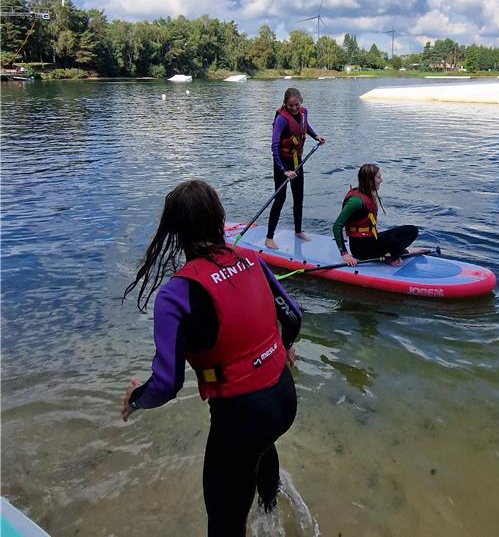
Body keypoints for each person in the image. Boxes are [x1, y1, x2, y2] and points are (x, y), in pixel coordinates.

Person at [121, 179, 302, 537]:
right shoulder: (251, 259)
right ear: (220, 219)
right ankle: (270, 518)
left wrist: (136, 399)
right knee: (261, 447)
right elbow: (293, 316)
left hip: (242, 418)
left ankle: (262, 521)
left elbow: (167, 384)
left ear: (174, 232)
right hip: (283, 398)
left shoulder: (175, 295)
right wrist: (284, 346)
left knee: (224, 522)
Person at [266, 87, 325, 250]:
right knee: (280, 199)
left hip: (297, 161)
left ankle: (298, 231)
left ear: (301, 102)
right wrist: (284, 170)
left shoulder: (303, 112)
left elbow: (305, 126)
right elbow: (274, 146)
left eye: (297, 105)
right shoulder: (281, 119)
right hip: (282, 164)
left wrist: (316, 136)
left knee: (299, 197)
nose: (294, 108)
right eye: (291, 105)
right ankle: (269, 238)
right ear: (285, 104)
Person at [332, 163, 420, 267]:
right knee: (392, 241)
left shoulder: (368, 193)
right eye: (378, 177)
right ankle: (398, 254)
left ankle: (396, 252)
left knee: (412, 230)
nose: (381, 180)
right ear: (369, 180)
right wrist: (345, 254)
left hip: (372, 239)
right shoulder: (356, 202)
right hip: (360, 249)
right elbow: (337, 226)